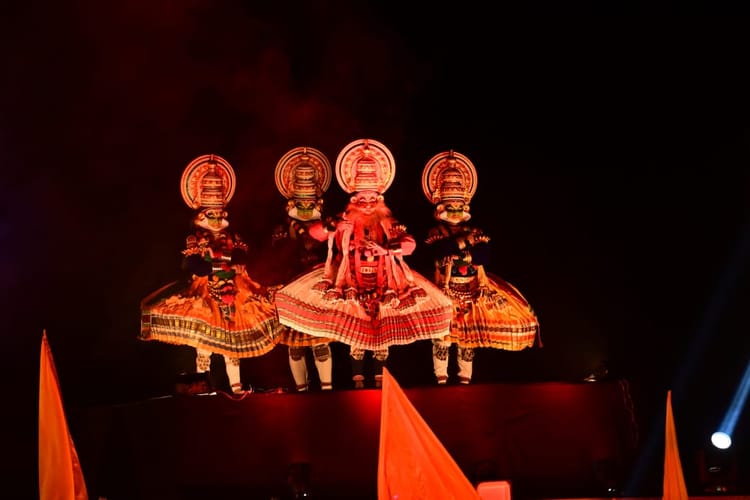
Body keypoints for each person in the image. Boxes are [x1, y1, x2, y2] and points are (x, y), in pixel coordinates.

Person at [274, 139, 453, 389]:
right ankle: (355, 387)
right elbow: (315, 235)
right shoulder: (344, 219)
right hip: (350, 282)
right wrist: (332, 226)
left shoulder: (388, 222)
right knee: (355, 340)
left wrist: (387, 249)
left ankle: (381, 386)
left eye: (372, 197)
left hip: (385, 283)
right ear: (353, 198)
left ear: (380, 198)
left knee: (382, 337)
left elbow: (410, 244)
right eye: (362, 197)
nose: (367, 202)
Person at [139, 154, 282, 395]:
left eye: (219, 213)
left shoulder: (232, 236)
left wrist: (236, 265)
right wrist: (215, 266)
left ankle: (236, 388)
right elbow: (192, 265)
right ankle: (204, 389)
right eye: (211, 213)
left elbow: (243, 257)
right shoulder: (195, 238)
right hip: (206, 294)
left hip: (234, 292)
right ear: (201, 212)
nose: (216, 218)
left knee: (232, 344)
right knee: (204, 345)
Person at [421, 150, 541, 384]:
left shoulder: (475, 232)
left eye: (459, 205)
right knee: (442, 339)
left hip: (472, 290)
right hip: (444, 291)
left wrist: (461, 249)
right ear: (440, 206)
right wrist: (465, 244)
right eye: (451, 206)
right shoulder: (437, 233)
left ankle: (465, 382)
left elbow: (482, 256)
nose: (455, 210)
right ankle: (441, 381)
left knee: (468, 340)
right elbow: (441, 253)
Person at [269, 146, 335, 392]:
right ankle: (301, 392)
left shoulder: (327, 227)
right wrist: (290, 240)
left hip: (318, 290)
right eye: (301, 202)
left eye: (311, 202)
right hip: (292, 290)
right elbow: (276, 259)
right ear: (291, 202)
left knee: (320, 343)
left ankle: (327, 390)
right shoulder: (282, 230)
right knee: (295, 346)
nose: (306, 207)